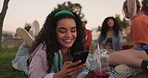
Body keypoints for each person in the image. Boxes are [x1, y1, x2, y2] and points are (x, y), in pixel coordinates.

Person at [28, 9, 90, 78]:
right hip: (30, 59)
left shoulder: (77, 47)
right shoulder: (43, 49)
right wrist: (58, 76)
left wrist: (88, 75)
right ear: (53, 32)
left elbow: (83, 71)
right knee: (21, 60)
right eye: (62, 31)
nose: (69, 35)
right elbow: (34, 75)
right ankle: (28, 40)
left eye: (73, 30)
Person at [108, 0, 148, 74]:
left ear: (126, 10)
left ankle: (145, 65)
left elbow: (139, 47)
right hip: (145, 51)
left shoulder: (138, 21)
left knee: (110, 57)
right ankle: (139, 66)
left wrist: (119, 54)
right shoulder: (141, 19)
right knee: (117, 56)